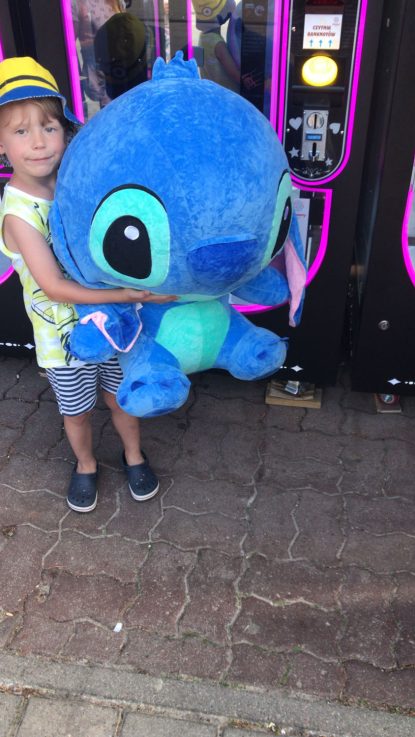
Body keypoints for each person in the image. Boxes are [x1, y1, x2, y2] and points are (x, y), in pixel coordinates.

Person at [0, 56, 176, 513]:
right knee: (76, 411)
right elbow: (54, 287)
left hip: (113, 326)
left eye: (49, 127)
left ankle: (133, 455)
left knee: (122, 398)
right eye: (21, 131)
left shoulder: (74, 182)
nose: (39, 143)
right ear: (1, 142)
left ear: (65, 130)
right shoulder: (18, 214)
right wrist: (130, 295)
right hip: (62, 341)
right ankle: (85, 464)